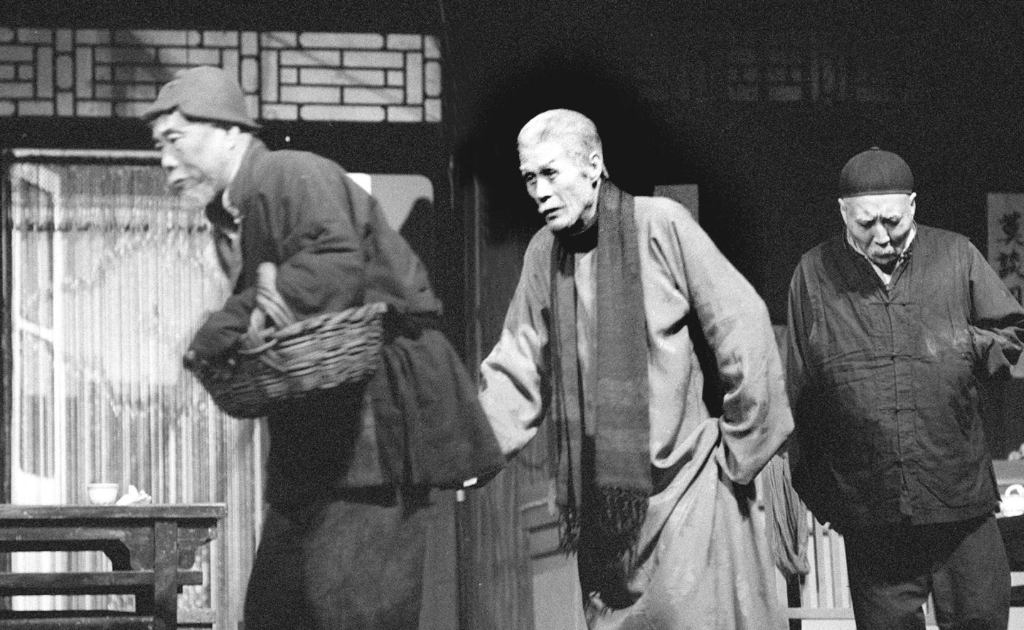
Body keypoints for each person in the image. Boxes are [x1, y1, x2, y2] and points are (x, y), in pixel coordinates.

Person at [143, 66, 502, 630]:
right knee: (276, 613)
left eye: (175, 139)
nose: (166, 160)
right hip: (318, 438)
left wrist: (226, 325)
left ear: (231, 132)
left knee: (352, 612)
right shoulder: (235, 210)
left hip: (375, 425)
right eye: (159, 145)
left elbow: (333, 265)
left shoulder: (288, 172)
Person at [478, 108, 793, 629]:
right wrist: (467, 445)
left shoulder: (659, 224)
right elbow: (517, 365)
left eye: (550, 173)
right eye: (529, 178)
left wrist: (740, 450)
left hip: (686, 491)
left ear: (593, 165)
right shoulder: (544, 254)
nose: (539, 191)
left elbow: (743, 325)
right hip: (604, 511)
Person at [785, 147, 1024, 629]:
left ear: (912, 206)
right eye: (865, 223)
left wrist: (962, 346)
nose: (881, 236)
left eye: (892, 221)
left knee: (981, 619)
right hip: (870, 506)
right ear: (843, 213)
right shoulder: (813, 273)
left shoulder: (956, 255)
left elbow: (1011, 334)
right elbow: (799, 393)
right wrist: (819, 494)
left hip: (957, 494)